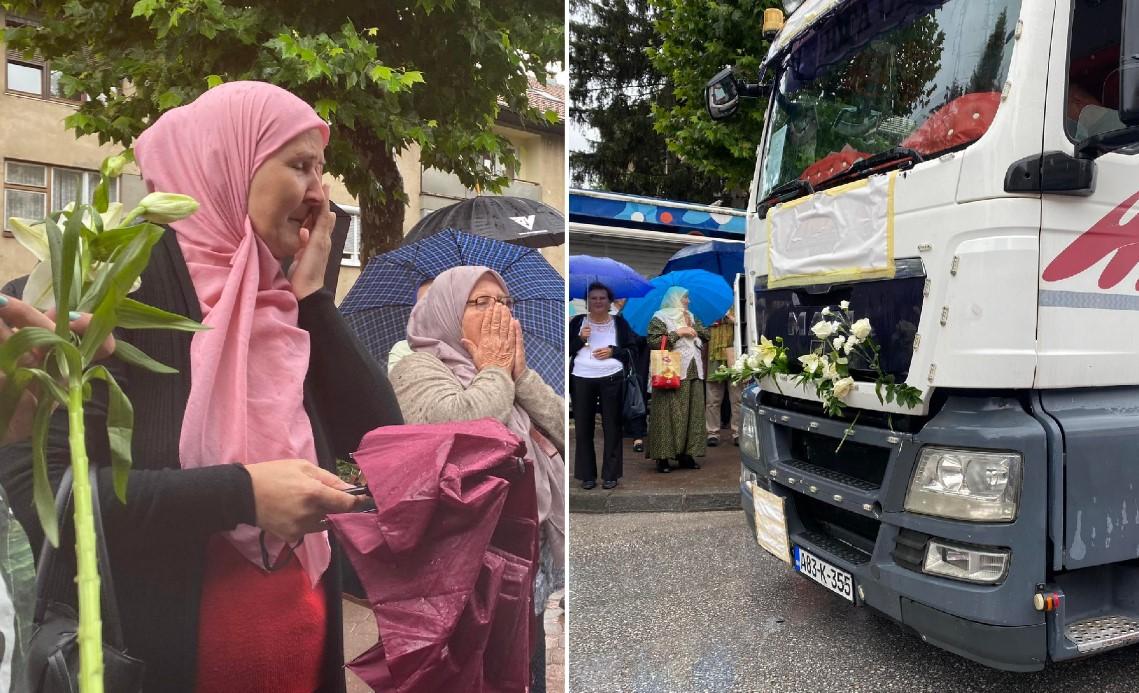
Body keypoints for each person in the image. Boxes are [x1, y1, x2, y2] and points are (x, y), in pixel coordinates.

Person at [0, 81, 403, 692]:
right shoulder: (113, 298)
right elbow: (51, 504)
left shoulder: (279, 309)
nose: (320, 194)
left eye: (321, 170)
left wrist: (316, 300)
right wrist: (240, 494)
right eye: (299, 166)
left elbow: (381, 445)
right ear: (226, 166)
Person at [388, 265, 565, 692]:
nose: (497, 313)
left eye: (503, 302)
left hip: (527, 545)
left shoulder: (507, 371)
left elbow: (562, 426)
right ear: (448, 312)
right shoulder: (417, 368)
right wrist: (495, 371)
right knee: (475, 669)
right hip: (465, 558)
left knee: (526, 659)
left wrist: (519, 375)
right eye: (480, 302)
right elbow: (468, 432)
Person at [569, 282, 638, 489]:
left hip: (612, 378)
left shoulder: (619, 324)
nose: (598, 301)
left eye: (602, 298)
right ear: (587, 302)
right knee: (583, 428)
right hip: (581, 377)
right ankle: (587, 475)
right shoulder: (578, 322)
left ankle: (611, 474)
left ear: (609, 302)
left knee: (612, 426)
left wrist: (613, 351)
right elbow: (567, 349)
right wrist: (581, 339)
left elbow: (632, 350)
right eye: (593, 298)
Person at [646, 286, 709, 473]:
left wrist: (694, 328)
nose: (688, 301)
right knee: (667, 412)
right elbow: (654, 341)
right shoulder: (660, 316)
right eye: (685, 298)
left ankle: (686, 454)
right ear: (674, 299)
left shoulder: (691, 315)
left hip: (693, 369)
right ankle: (663, 457)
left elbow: (706, 335)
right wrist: (678, 332)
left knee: (692, 412)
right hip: (671, 370)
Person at [705, 307, 742, 447]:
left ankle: (738, 432)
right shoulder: (709, 306)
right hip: (713, 355)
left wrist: (730, 317)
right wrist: (709, 323)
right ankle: (712, 432)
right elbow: (700, 328)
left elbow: (746, 324)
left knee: (737, 397)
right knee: (713, 398)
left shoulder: (738, 303)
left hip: (734, 354)